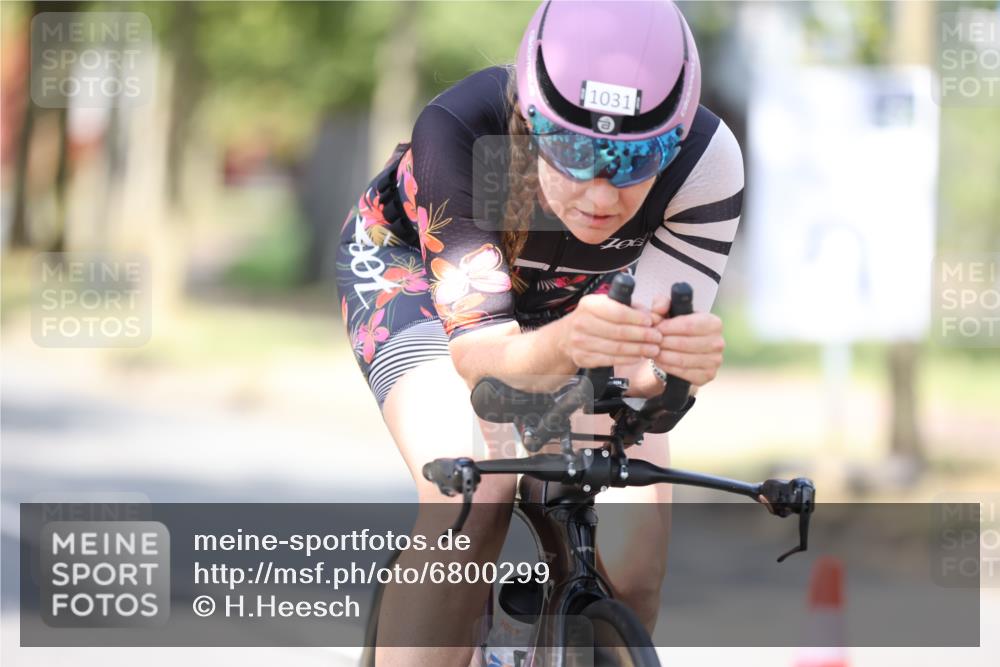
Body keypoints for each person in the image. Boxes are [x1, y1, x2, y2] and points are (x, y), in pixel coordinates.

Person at [335, 1, 743, 664]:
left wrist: (675, 362)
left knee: (633, 555)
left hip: (579, 308)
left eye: (639, 159)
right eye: (575, 152)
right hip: (418, 282)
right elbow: (481, 360)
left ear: (675, 137)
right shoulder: (463, 132)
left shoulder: (706, 161)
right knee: (473, 497)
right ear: (528, 120)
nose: (602, 193)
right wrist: (567, 347)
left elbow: (640, 369)